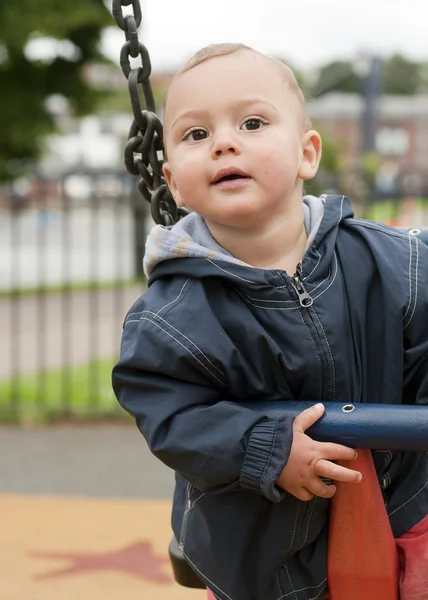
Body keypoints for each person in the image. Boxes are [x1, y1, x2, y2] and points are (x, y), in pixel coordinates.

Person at [112, 43, 428, 600]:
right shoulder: (172, 317)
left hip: (408, 512)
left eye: (252, 122)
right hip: (265, 552)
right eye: (195, 135)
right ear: (173, 181)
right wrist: (264, 446)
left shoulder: (393, 262)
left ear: (307, 154)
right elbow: (172, 411)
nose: (224, 143)